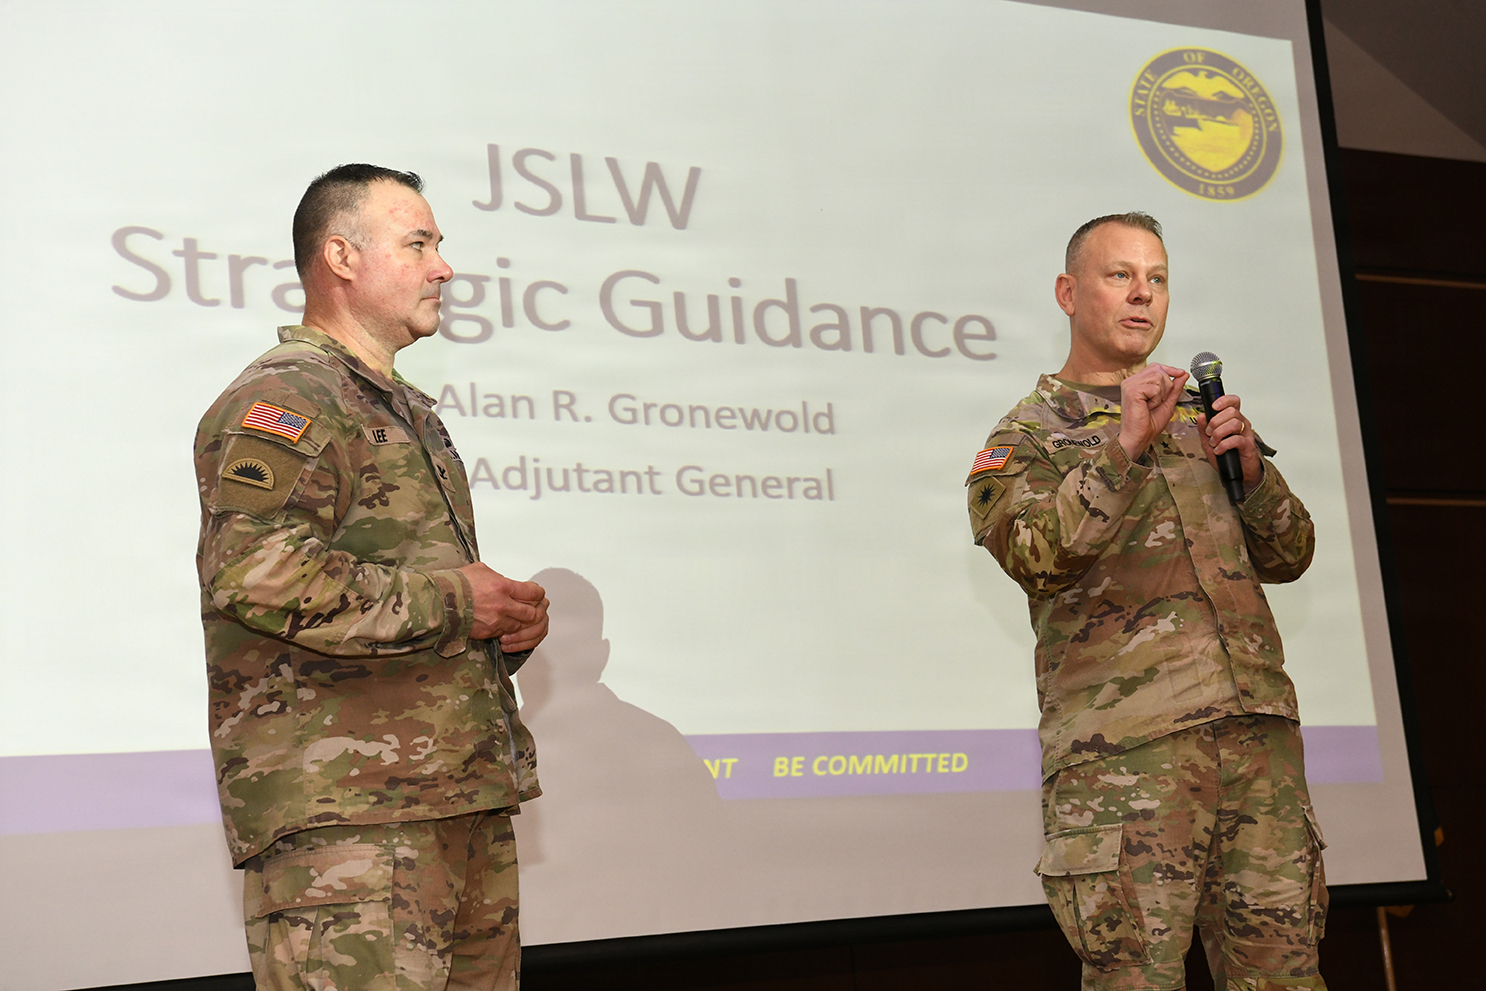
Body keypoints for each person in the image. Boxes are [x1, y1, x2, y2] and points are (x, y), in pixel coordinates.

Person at [194, 164, 549, 991]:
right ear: (342, 257)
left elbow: (394, 600)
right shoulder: (286, 398)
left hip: (453, 807)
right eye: (418, 242)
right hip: (349, 829)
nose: (443, 267)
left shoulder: (409, 409)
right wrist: (463, 599)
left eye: (439, 245)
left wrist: (498, 626)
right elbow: (255, 573)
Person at [966, 213, 1327, 990]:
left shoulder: (1202, 418)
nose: (1143, 294)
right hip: (1126, 765)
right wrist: (1122, 446)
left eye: (1157, 278)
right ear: (1068, 292)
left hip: (1256, 744)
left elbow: (1292, 555)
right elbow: (1036, 554)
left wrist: (1255, 477)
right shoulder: (1028, 436)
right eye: (1119, 275)